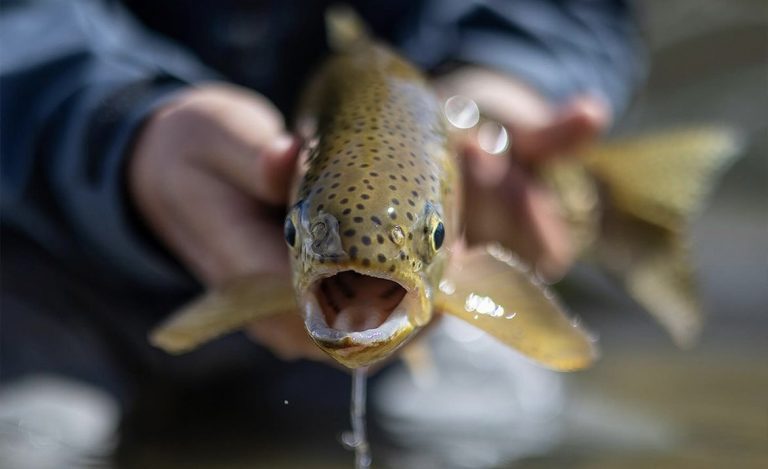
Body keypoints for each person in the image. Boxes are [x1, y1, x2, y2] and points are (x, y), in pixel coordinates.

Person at [0, 0, 643, 461]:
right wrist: (120, 132)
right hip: (45, 256)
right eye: (310, 240)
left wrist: (502, 83)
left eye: (428, 243)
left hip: (394, 166)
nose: (363, 270)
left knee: (478, 417)